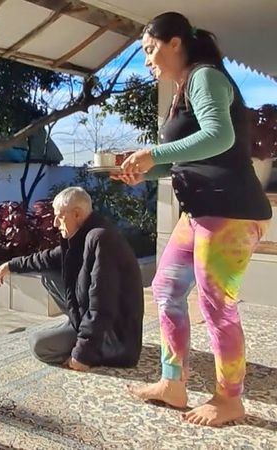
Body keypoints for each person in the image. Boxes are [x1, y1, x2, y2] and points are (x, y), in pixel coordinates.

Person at [116, 12, 271, 427]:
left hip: (231, 211)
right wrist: (145, 169)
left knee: (216, 305)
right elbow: (189, 156)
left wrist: (154, 153)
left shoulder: (204, 76)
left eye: (150, 49)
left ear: (175, 43)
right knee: (165, 290)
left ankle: (229, 399)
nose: (147, 60)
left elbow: (220, 137)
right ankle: (173, 383)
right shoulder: (183, 88)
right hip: (202, 209)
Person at [0, 187, 144, 370]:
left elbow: (102, 304)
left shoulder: (101, 239)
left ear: (77, 214)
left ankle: (91, 346)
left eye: (59, 216)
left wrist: (82, 355)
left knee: (39, 344)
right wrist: (11, 265)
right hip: (95, 319)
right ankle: (78, 330)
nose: (56, 223)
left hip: (114, 336)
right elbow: (48, 258)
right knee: (48, 275)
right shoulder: (83, 234)